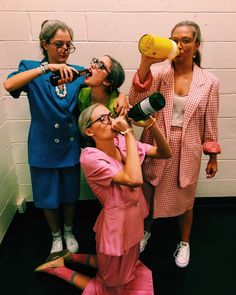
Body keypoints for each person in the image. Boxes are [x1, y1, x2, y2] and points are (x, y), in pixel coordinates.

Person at [3, 20, 126, 255]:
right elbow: (9, 85)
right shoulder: (30, 68)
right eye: (59, 44)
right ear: (44, 43)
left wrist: (123, 95)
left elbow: (106, 82)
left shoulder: (78, 72)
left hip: (70, 146)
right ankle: (55, 235)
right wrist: (45, 69)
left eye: (69, 45)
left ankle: (69, 230)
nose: (64, 49)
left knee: (70, 194)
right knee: (46, 195)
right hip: (42, 146)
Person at [34, 102, 172, 294]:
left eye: (110, 115)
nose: (111, 121)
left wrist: (151, 124)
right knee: (108, 285)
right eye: (103, 118)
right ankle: (57, 269)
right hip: (115, 230)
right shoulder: (90, 157)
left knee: (123, 266)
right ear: (89, 131)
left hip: (134, 221)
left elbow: (166, 153)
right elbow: (134, 179)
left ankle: (70, 257)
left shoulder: (121, 144)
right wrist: (129, 133)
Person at [129, 20, 221, 267]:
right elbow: (134, 103)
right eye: (175, 39)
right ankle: (145, 232)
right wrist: (145, 63)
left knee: (186, 198)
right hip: (155, 140)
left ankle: (184, 242)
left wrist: (212, 156)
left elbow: (209, 120)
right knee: (148, 192)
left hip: (187, 146)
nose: (179, 45)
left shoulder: (209, 81)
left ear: (196, 44)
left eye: (186, 40)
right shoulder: (159, 72)